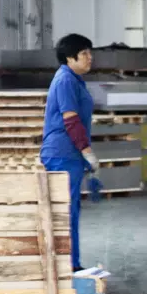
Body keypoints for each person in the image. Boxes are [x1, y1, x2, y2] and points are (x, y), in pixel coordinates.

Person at [40, 33, 99, 272]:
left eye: (89, 53)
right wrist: (87, 151)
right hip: (63, 154)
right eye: (84, 53)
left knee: (70, 210)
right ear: (69, 57)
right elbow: (71, 120)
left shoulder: (74, 79)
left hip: (69, 154)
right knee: (66, 212)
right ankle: (69, 267)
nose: (89, 58)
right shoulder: (65, 80)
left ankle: (71, 264)